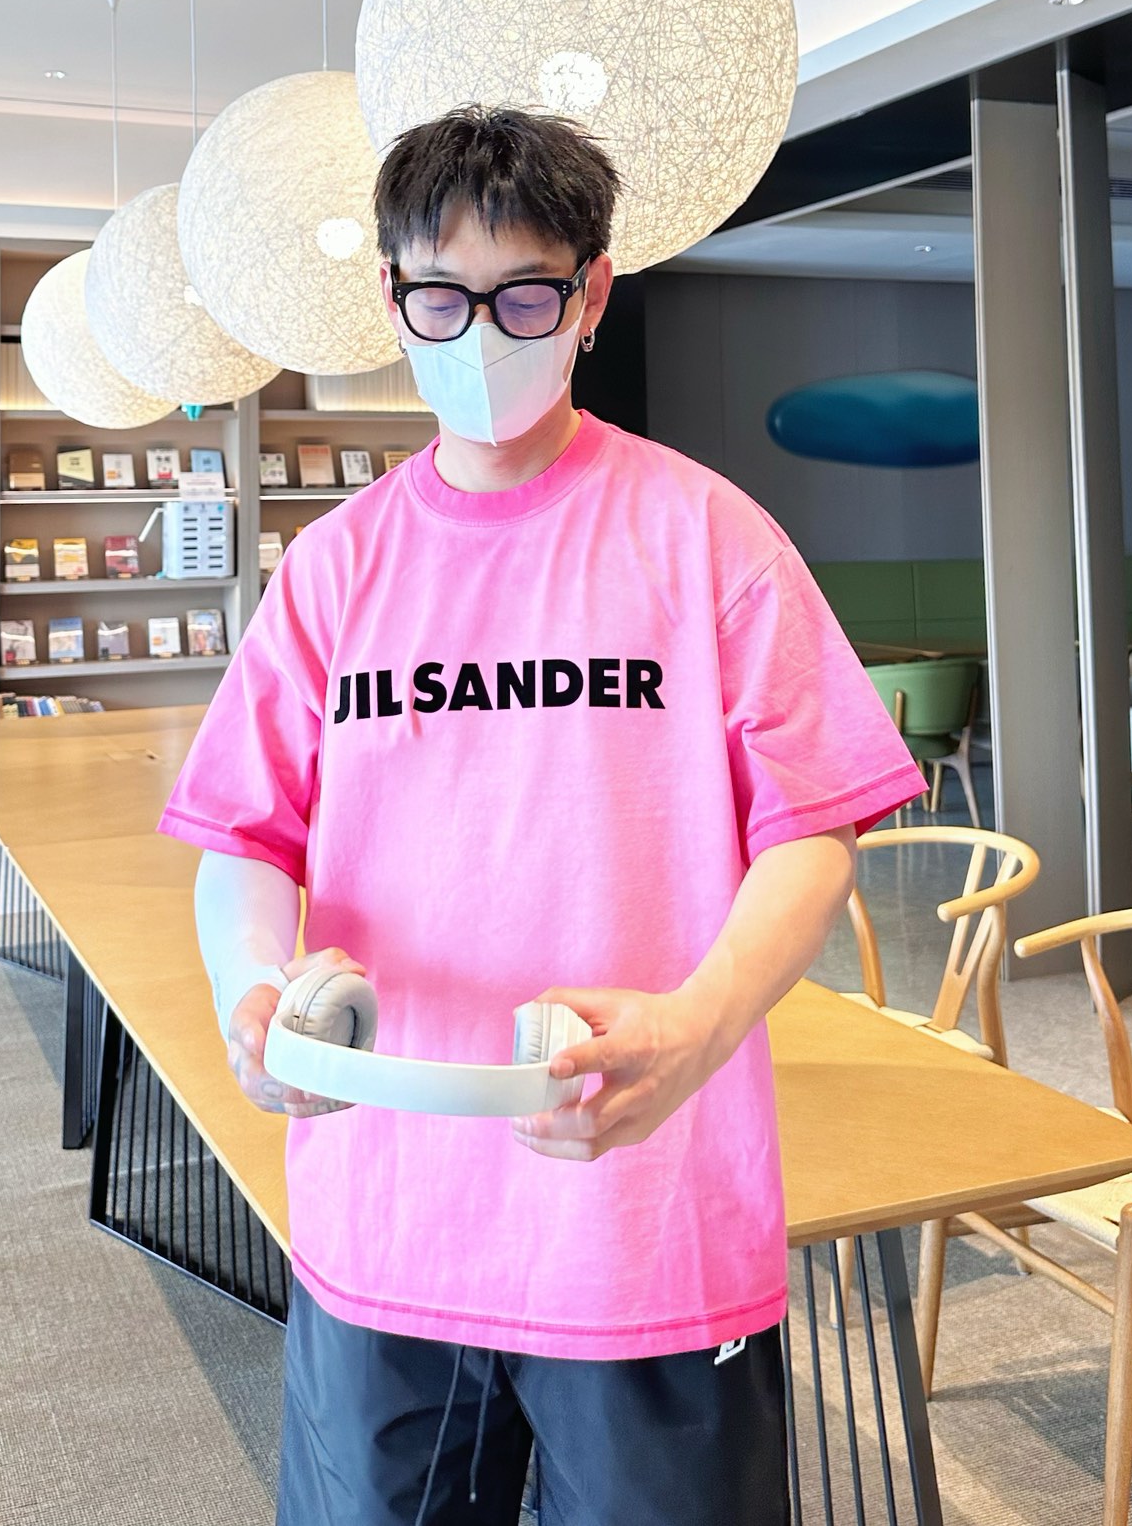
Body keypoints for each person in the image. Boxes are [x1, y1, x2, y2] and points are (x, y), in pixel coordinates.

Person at [159, 106, 927, 1526]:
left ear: (590, 295)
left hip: (643, 1216)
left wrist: (697, 1026)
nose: (479, 336)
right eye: (439, 298)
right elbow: (245, 837)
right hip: (387, 1213)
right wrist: (252, 994)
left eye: (523, 296)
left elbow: (815, 828)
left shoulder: (707, 536)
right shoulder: (334, 569)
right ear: (391, 297)